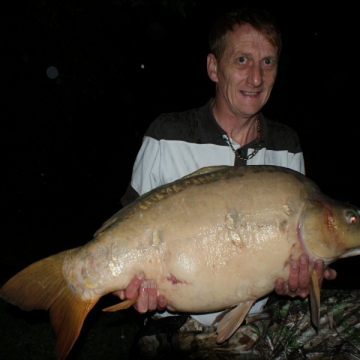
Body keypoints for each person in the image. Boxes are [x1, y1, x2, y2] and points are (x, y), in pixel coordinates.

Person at [117, 6, 337, 358]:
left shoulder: (286, 145)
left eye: (268, 62)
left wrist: (298, 284)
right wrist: (127, 289)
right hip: (176, 325)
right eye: (242, 60)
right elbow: (124, 241)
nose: (256, 77)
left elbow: (289, 262)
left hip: (258, 321)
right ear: (213, 68)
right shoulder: (167, 135)